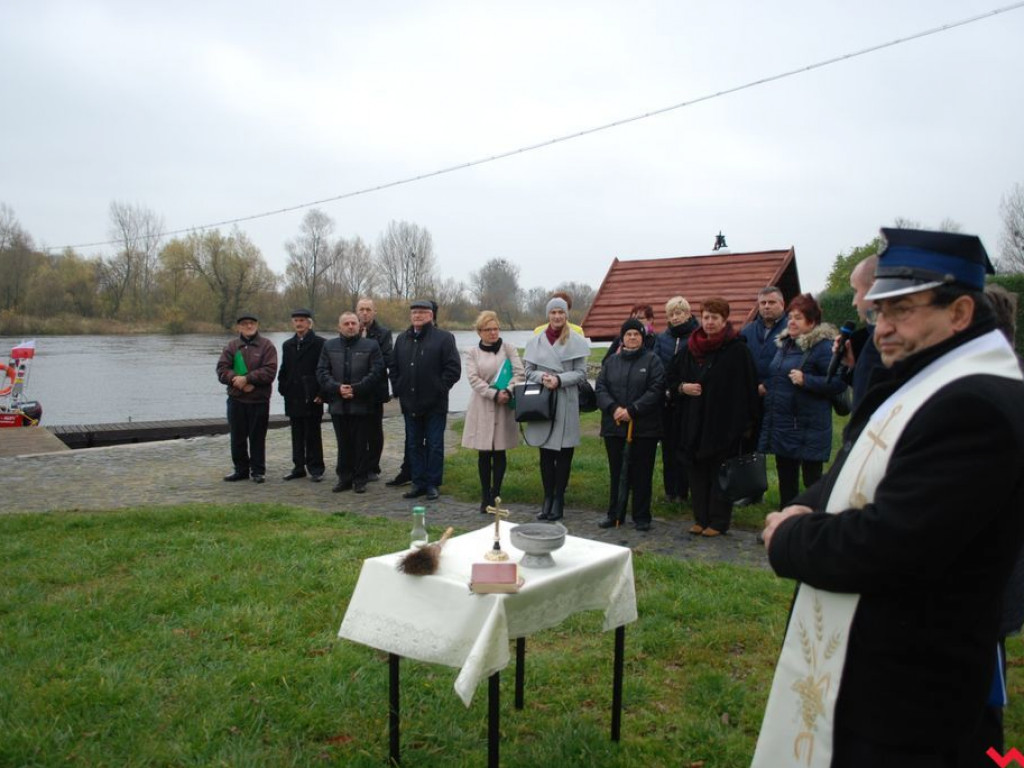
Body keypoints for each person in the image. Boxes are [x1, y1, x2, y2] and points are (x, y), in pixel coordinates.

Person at [755, 228, 1024, 768]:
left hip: (911, 687)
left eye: (899, 311)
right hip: (875, 663)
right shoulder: (928, 377)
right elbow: (855, 465)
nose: (882, 329)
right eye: (878, 312)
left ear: (960, 312)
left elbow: (892, 543)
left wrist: (788, 536)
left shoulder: (977, 403)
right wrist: (808, 502)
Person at [668, 297, 758, 536]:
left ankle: (718, 521)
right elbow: (672, 378)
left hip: (723, 422)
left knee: (719, 473)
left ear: (724, 320)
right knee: (696, 472)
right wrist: (682, 388)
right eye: (706, 317)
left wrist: (745, 425)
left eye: (714, 318)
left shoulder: (737, 349)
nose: (709, 322)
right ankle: (700, 518)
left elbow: (747, 388)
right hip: (693, 420)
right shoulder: (691, 348)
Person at [758, 293, 846, 507]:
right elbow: (780, 373)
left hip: (809, 426)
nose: (791, 322)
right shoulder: (787, 344)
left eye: (798, 317)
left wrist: (807, 380)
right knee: (786, 479)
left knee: (812, 481)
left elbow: (838, 381)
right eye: (790, 317)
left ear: (812, 321)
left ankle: (815, 524)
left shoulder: (823, 347)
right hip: (783, 423)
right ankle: (785, 525)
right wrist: (767, 386)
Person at [523, 296, 590, 522]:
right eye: (553, 312)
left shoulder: (577, 341)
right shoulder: (536, 342)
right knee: (545, 455)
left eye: (561, 312)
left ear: (566, 315)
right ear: (548, 315)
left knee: (563, 456)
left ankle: (559, 499)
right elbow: (528, 370)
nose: (557, 316)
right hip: (543, 403)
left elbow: (582, 373)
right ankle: (547, 498)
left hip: (565, 401)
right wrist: (544, 377)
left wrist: (560, 380)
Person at [595, 318, 665, 531]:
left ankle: (642, 516)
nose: (632, 338)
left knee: (642, 474)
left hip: (644, 428)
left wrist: (633, 410)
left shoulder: (652, 361)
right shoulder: (611, 362)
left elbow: (656, 389)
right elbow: (600, 388)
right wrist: (614, 409)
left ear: (642, 338)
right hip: (614, 426)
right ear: (622, 338)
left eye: (636, 334)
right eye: (628, 334)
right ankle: (615, 513)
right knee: (617, 472)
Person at [390, 299, 461, 501]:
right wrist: (398, 388)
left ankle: (432, 484)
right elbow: (393, 367)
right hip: (409, 401)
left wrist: (439, 388)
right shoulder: (402, 339)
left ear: (431, 315)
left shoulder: (444, 338)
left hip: (435, 403)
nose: (418, 316)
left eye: (422, 312)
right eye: (414, 313)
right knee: (413, 444)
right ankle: (418, 482)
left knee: (434, 444)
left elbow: (453, 369)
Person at [462, 310, 525, 512]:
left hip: (504, 406)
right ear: (480, 332)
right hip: (483, 405)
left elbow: (519, 373)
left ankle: (496, 493)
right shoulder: (472, 352)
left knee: (499, 451)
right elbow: (473, 379)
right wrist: (493, 394)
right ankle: (484, 496)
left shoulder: (509, 348)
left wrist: (507, 390)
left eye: (496, 329)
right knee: (484, 452)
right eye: (488, 330)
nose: (493, 333)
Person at [316, 311, 385, 494]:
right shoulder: (329, 346)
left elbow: (377, 371)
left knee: (361, 443)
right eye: (346, 323)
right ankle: (344, 478)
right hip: (338, 404)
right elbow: (322, 372)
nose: (350, 326)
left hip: (362, 403)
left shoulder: (371, 345)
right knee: (343, 443)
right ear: (339, 327)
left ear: (359, 325)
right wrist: (337, 388)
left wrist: (356, 388)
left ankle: (360, 479)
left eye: (353, 323)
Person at [215, 312, 278, 483]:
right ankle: (240, 470)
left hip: (259, 400)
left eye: (251, 323)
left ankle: (258, 471)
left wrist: (249, 379)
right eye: (244, 324)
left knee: (257, 437)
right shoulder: (232, 346)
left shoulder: (267, 346)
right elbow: (221, 370)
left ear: (257, 325)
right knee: (237, 437)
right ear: (238, 327)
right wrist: (236, 380)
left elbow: (270, 371)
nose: (248, 326)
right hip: (236, 400)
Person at [654, 295, 698, 503]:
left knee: (687, 445)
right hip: (666, 398)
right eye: (671, 314)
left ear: (688, 314)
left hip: (689, 399)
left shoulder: (696, 336)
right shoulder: (663, 338)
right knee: (669, 446)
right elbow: (656, 365)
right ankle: (671, 490)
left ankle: (685, 489)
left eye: (679, 313)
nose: (675, 317)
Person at [277, 308, 326, 482]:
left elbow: (325, 370)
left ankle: (316, 468)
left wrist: (322, 392)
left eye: (302, 320)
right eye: (296, 320)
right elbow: (284, 369)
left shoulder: (320, 343)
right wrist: (283, 387)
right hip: (293, 395)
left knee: (313, 433)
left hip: (312, 395)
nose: (299, 324)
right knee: (296, 433)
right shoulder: (288, 345)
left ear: (309, 323)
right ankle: (298, 467)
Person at [834, 255, 884, 410]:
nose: (854, 302)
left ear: (875, 287)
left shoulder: (886, 340)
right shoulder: (868, 338)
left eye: (856, 291)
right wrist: (852, 366)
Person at [356, 297, 393, 482]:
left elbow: (386, 359)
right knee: (357, 430)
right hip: (355, 390)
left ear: (374, 312)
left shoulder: (384, 334)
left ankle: (373, 466)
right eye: (361, 309)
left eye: (368, 309)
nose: (364, 313)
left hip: (375, 389)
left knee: (374, 430)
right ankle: (358, 464)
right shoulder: (351, 330)